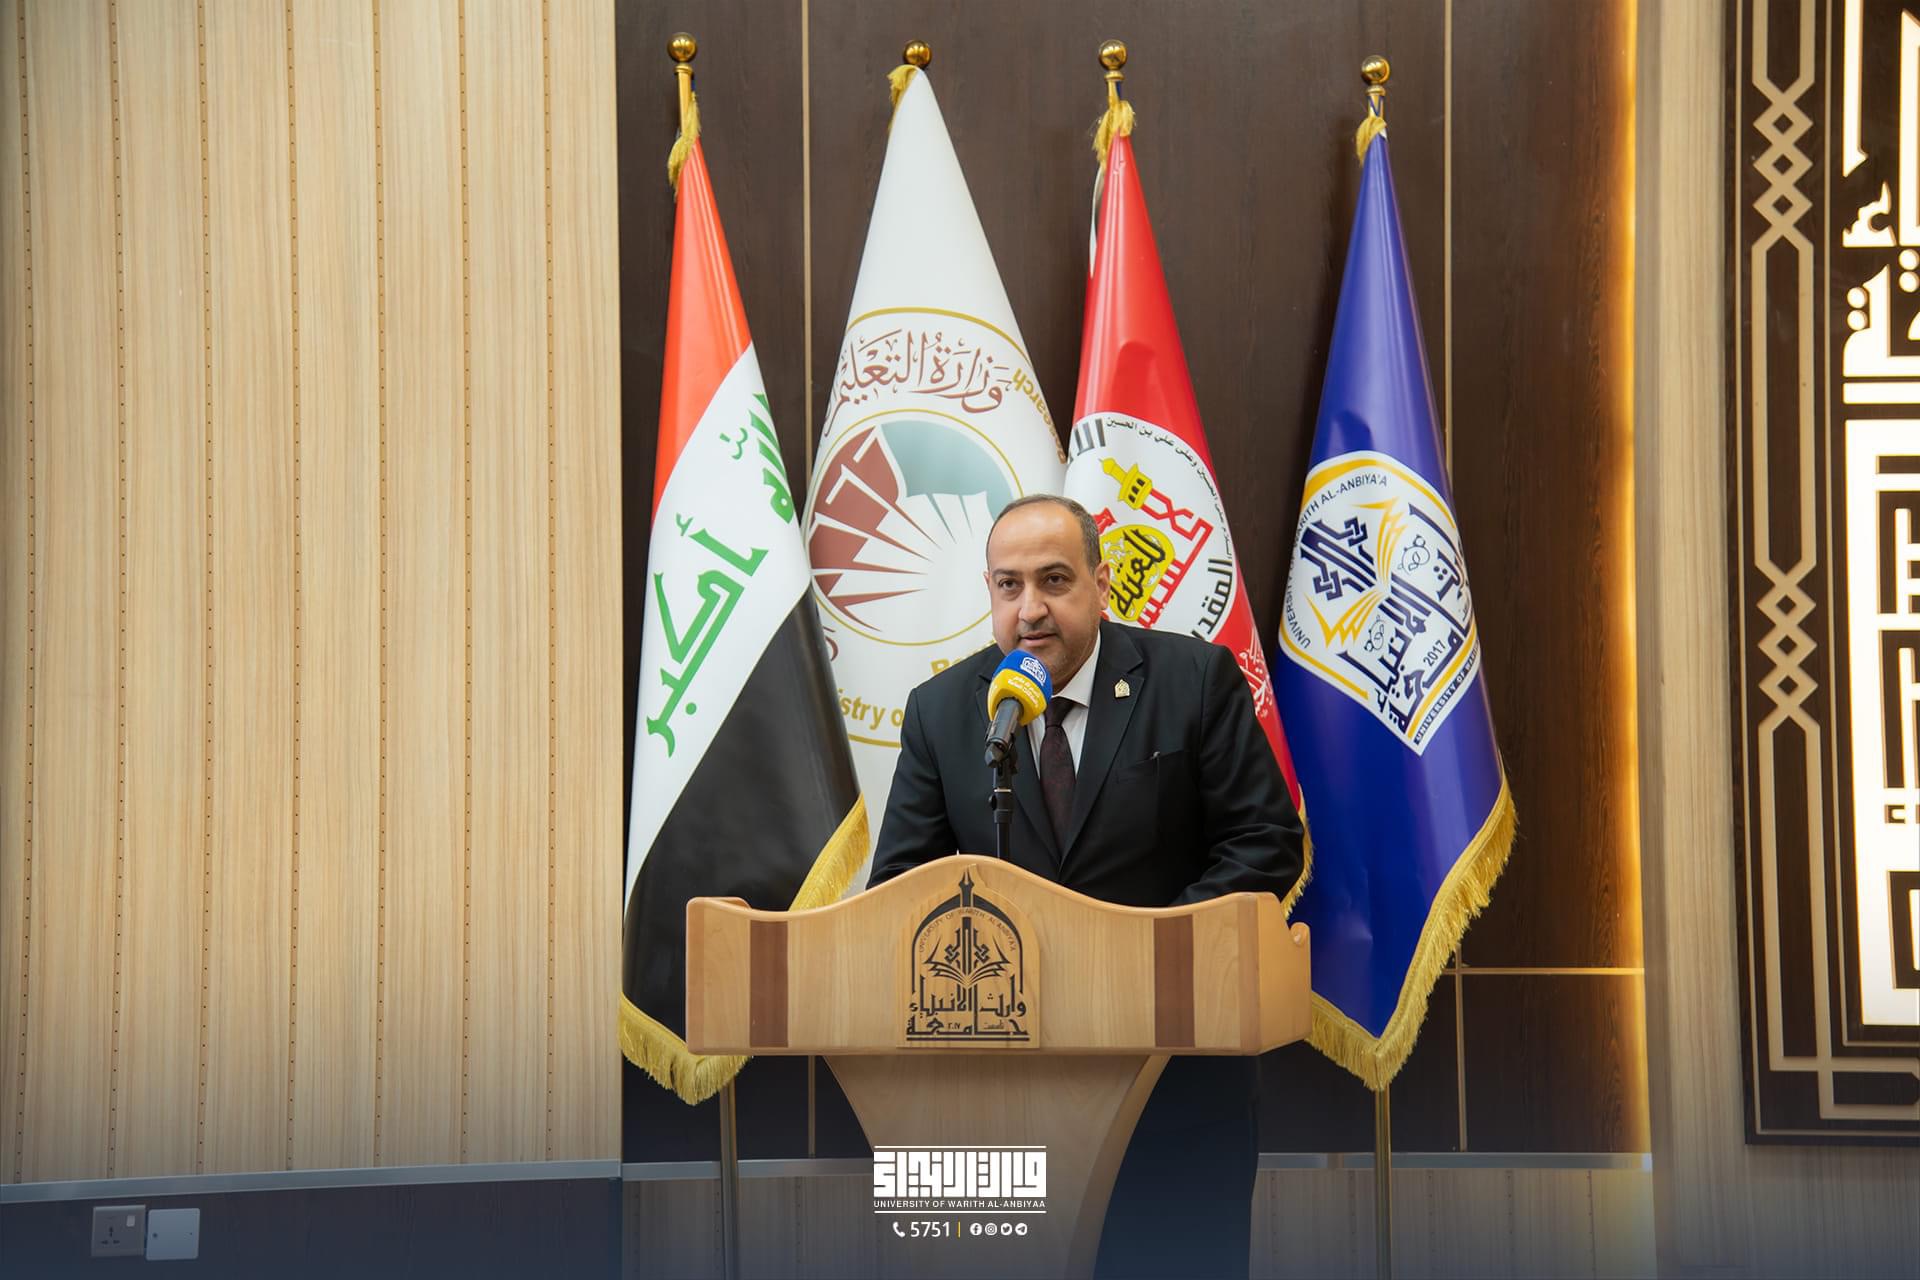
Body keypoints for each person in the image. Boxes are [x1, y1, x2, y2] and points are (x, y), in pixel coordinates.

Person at [869, 493, 1304, 1279]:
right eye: (1008, 585)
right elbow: (902, 885)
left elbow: (1265, 843)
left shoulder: (1192, 680)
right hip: (995, 1096)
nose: (1030, 609)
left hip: (1174, 1082)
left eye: (1054, 579)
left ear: (1101, 586)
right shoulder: (943, 713)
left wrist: (1139, 957)